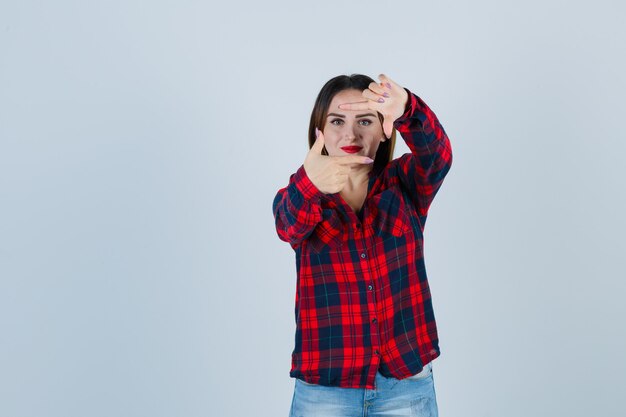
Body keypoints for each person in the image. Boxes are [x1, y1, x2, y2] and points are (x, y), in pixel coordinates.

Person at [272, 73, 452, 417]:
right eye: (337, 121)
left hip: (405, 385)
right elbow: (286, 224)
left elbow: (439, 154)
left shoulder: (405, 184)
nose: (350, 134)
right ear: (319, 133)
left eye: (364, 121)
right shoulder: (302, 196)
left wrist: (407, 109)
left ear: (384, 129)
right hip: (326, 391)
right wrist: (311, 183)